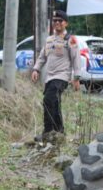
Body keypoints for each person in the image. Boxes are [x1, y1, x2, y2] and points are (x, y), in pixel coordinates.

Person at [31, 10, 81, 141]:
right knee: (54, 102)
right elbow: (42, 57)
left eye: (60, 21)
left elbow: (76, 59)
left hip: (62, 77)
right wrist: (36, 69)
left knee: (48, 100)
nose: (57, 23)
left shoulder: (70, 40)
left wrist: (76, 78)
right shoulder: (49, 40)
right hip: (50, 77)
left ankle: (48, 132)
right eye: (55, 20)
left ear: (66, 23)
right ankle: (59, 132)